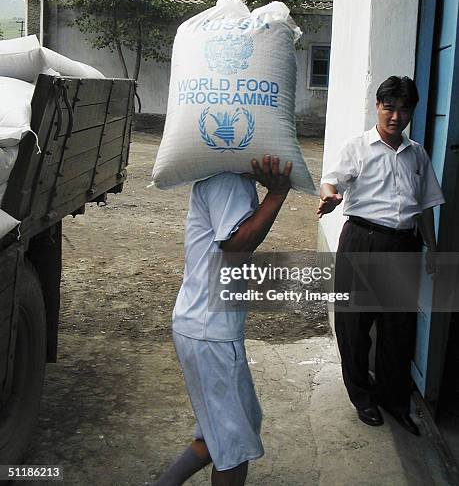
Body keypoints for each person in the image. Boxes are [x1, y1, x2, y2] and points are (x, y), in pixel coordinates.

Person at [151, 155, 292, 486]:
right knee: (234, 447)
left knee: (230, 428)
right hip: (208, 330)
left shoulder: (232, 178)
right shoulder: (227, 180)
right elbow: (236, 246)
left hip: (207, 325)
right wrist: (277, 194)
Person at [317, 76, 445, 436]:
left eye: (404, 109)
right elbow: (332, 181)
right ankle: (362, 397)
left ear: (411, 112)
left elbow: (426, 205)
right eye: (389, 107)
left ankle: (394, 400)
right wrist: (330, 197)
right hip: (362, 240)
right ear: (377, 106)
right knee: (355, 326)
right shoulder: (358, 147)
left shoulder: (417, 153)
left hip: (403, 245)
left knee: (398, 329)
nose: (396, 116)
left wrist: (432, 249)